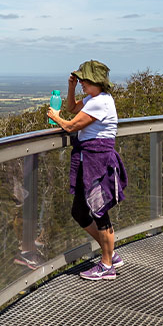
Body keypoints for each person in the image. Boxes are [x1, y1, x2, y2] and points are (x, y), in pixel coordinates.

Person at [46, 60, 128, 280]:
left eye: (84, 80)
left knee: (100, 211)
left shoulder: (100, 102)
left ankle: (107, 265)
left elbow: (71, 125)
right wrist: (71, 87)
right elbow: (73, 108)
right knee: (80, 211)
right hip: (89, 160)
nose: (81, 82)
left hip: (97, 161)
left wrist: (54, 116)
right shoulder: (95, 98)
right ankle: (110, 253)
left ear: (95, 81)